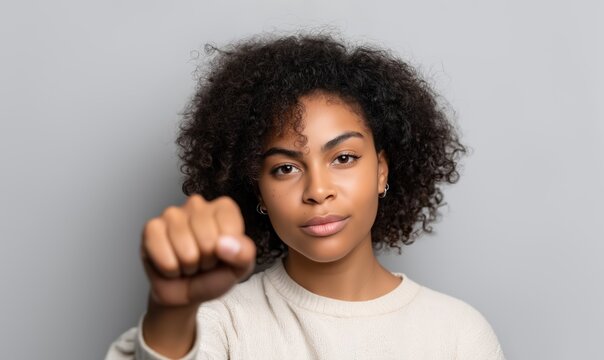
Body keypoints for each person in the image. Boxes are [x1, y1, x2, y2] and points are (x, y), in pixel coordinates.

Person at [106, 32, 505, 359]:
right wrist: (171, 312)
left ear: (381, 170)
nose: (317, 191)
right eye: (285, 168)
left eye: (344, 157)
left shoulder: (458, 334)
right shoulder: (218, 324)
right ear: (258, 189)